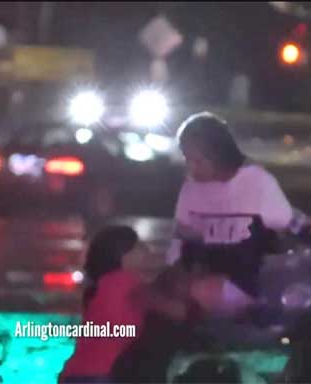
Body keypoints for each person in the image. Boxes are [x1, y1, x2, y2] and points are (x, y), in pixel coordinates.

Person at [167, 112, 294, 297]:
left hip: (246, 285)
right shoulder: (190, 189)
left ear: (219, 155)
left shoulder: (258, 182)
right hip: (199, 280)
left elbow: (284, 235)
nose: (191, 168)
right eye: (187, 159)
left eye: (197, 161)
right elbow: (179, 243)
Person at [60, 226, 190, 383]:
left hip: (78, 373)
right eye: (140, 247)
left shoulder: (104, 284)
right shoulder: (125, 282)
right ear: (123, 256)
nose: (147, 250)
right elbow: (177, 311)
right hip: (101, 375)